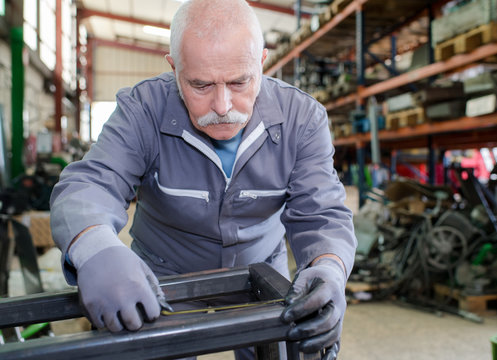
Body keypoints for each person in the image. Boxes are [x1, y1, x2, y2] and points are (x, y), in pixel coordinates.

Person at [50, 0, 357, 359]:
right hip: (163, 274)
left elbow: (321, 211)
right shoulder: (143, 109)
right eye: (200, 85)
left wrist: (329, 266)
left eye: (240, 81)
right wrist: (95, 247)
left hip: (259, 268)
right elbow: (90, 184)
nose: (223, 105)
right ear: (174, 67)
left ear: (261, 62)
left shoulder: (302, 119)